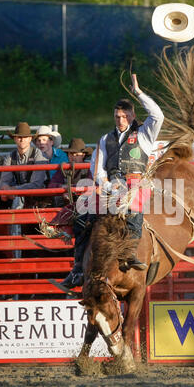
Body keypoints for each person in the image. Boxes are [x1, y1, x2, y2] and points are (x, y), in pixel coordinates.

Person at [60, 74, 164, 289]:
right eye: (118, 116)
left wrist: (139, 92)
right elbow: (97, 168)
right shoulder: (105, 139)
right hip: (112, 186)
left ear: (132, 115)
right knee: (81, 215)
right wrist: (107, 184)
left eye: (125, 116)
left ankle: (130, 252)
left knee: (134, 207)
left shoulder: (145, 134)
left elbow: (158, 115)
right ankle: (78, 267)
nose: (121, 120)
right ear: (114, 117)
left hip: (136, 184)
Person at [0, 122, 48, 208]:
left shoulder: (38, 155)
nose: (22, 139)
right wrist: (5, 188)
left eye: (25, 137)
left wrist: (14, 190)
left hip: (37, 198)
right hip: (17, 197)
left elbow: (37, 184)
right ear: (15, 139)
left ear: (30, 139)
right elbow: (4, 180)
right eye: (19, 137)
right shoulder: (10, 157)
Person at [48, 137, 93, 206]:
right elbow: (51, 185)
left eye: (77, 154)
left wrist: (70, 188)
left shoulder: (89, 168)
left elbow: (91, 185)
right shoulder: (64, 168)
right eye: (71, 154)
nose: (73, 157)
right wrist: (63, 187)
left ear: (83, 155)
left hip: (84, 203)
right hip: (66, 204)